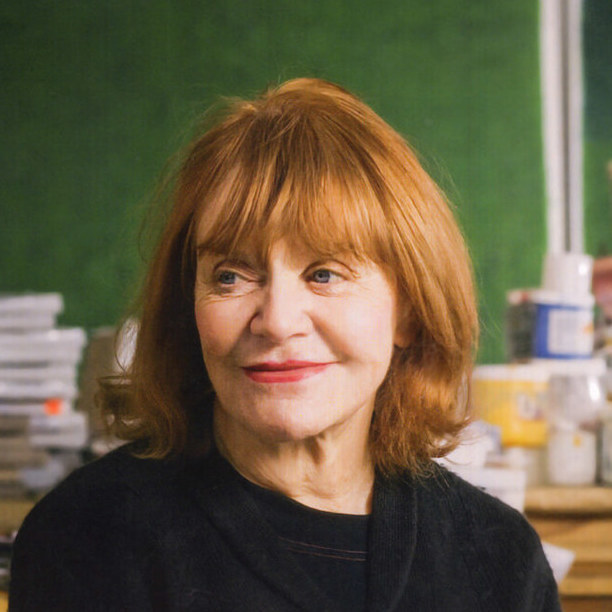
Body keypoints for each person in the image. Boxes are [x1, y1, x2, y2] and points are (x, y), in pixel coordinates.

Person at [9, 78, 560, 611]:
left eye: (324, 273)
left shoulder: (498, 557)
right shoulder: (87, 538)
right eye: (230, 276)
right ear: (189, 308)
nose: (276, 321)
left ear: (409, 314)